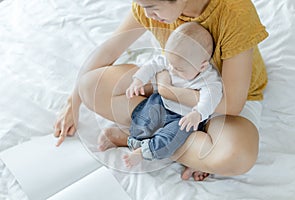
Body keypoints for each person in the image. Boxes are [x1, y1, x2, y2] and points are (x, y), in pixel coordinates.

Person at [54, 0, 268, 181]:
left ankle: (136, 138)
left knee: (236, 156)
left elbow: (231, 103)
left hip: (221, 101)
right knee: (89, 86)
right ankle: (184, 146)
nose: (147, 14)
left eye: (152, 6)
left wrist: (167, 90)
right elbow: (109, 50)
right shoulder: (149, 8)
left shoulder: (234, 11)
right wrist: (73, 103)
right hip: (170, 80)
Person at [118, 22, 222, 168]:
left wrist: (198, 114)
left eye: (178, 69)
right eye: (170, 64)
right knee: (145, 115)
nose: (171, 70)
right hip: (162, 102)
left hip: (184, 117)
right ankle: (135, 140)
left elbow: (210, 98)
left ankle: (145, 152)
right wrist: (138, 80)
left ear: (202, 66)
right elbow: (153, 64)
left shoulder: (210, 80)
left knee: (172, 137)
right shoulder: (174, 59)